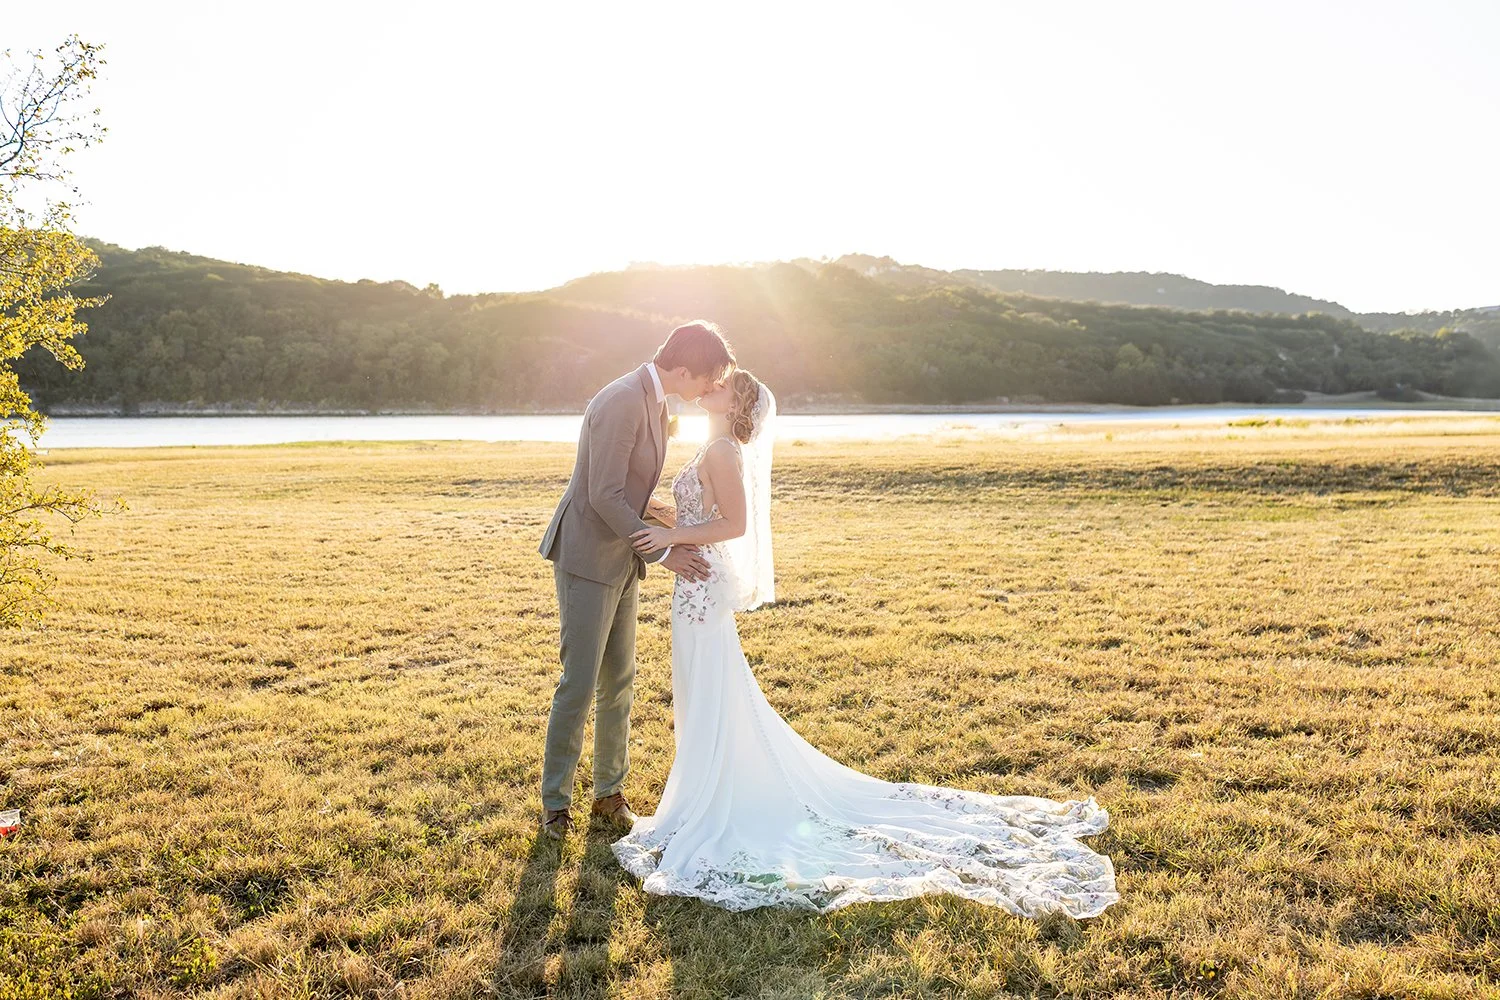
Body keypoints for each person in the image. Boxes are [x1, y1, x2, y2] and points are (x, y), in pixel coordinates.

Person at [612, 369, 1121, 918]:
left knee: (709, 688)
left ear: (737, 403)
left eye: (725, 383)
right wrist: (659, 518)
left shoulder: (722, 450)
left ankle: (714, 801)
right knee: (699, 690)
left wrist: (670, 537)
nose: (712, 383)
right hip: (693, 587)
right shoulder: (710, 446)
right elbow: (701, 515)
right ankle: (698, 795)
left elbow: (733, 525)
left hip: (701, 591)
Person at [536, 320, 735, 841]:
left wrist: (673, 528)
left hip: (622, 558)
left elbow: (634, 488)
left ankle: (609, 795)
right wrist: (663, 550)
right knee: (579, 683)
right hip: (587, 558)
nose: (708, 390)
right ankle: (556, 805)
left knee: (619, 681)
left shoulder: (658, 401)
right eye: (707, 379)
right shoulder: (622, 399)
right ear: (684, 368)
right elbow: (603, 494)